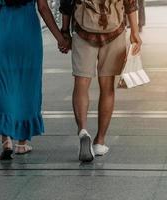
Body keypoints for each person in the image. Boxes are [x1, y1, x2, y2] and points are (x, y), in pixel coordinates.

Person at [0, 0, 69, 160]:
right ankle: (21, 143)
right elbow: (43, 8)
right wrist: (60, 38)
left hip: (4, 34)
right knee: (28, 89)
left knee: (5, 88)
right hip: (29, 35)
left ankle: (6, 141)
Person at [59, 0, 142, 162]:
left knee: (81, 84)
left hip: (83, 29)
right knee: (107, 87)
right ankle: (100, 141)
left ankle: (83, 129)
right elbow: (130, 2)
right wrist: (135, 31)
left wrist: (64, 30)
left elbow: (66, 2)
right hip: (114, 29)